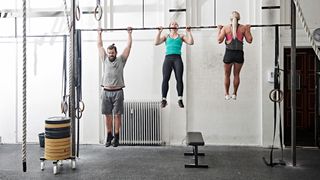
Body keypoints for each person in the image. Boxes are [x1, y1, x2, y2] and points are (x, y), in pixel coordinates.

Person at [97, 27, 132, 147]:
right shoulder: (105, 59)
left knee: (117, 115)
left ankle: (116, 137)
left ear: (116, 53)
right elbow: (99, 46)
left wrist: (129, 34)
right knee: (107, 115)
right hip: (106, 91)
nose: (110, 54)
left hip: (118, 92)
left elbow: (128, 48)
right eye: (109, 52)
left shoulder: (121, 60)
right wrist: (99, 33)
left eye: (112, 53)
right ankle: (109, 135)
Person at [155, 21, 194, 108]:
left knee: (179, 79)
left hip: (177, 59)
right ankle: (164, 99)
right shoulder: (166, 36)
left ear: (177, 27)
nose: (174, 25)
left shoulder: (181, 36)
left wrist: (189, 32)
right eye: (172, 24)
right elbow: (156, 42)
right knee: (165, 79)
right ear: (170, 27)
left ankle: (180, 99)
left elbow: (191, 42)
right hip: (168, 59)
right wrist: (159, 32)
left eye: (176, 24)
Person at [217, 11, 253, 100]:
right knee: (236, 74)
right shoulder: (243, 28)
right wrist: (248, 29)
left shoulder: (225, 28)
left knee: (227, 75)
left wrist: (219, 29)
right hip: (239, 54)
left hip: (229, 53)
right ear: (239, 19)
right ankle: (235, 93)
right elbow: (250, 40)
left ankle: (226, 94)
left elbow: (219, 40)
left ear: (230, 19)